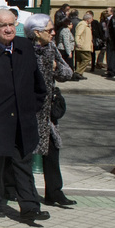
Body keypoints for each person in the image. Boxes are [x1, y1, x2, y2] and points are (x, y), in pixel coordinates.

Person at [0, 7, 49, 221]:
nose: (8, 29)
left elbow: (38, 86)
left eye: (11, 24)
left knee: (23, 163)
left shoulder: (25, 47)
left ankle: (30, 207)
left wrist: (31, 108)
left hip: (23, 120)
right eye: (2, 25)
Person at [23, 14, 77, 208]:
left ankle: (54, 192)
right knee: (24, 154)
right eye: (49, 30)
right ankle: (19, 190)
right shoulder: (25, 49)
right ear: (36, 33)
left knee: (52, 151)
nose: (53, 33)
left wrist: (54, 66)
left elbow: (67, 73)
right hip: (29, 109)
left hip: (48, 113)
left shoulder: (51, 48)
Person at [74, 12, 93, 77]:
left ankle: (79, 74)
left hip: (84, 45)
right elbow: (78, 34)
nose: (92, 20)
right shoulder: (82, 25)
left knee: (80, 60)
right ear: (88, 19)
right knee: (87, 59)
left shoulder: (86, 25)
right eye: (91, 19)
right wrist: (78, 42)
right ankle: (78, 72)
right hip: (83, 46)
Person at [105, 7, 115, 79]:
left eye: (107, 11)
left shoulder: (113, 20)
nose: (106, 12)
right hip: (113, 40)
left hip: (112, 41)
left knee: (112, 56)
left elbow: (114, 31)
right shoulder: (109, 19)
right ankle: (114, 70)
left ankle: (112, 71)